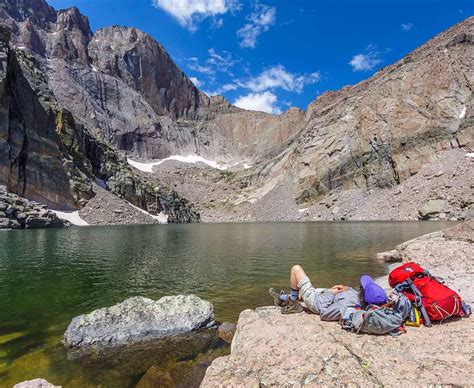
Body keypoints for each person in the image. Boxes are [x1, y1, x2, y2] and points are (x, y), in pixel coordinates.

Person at [269, 265, 360, 320]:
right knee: (300, 293)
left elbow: (325, 314)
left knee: (296, 269)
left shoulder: (345, 305)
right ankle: (281, 297)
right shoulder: (358, 297)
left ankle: (293, 304)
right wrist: (346, 288)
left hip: (315, 300)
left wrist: (331, 293)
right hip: (323, 295)